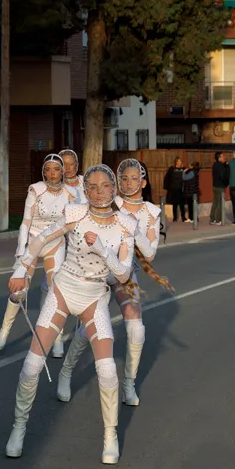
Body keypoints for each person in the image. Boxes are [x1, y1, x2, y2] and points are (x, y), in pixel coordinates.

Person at [4, 165, 136, 464]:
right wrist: (22, 269)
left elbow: (124, 274)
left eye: (104, 185)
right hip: (64, 290)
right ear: (84, 190)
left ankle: (110, 436)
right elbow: (40, 240)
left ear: (114, 188)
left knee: (106, 371)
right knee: (31, 365)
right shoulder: (75, 213)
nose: (98, 191)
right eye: (91, 186)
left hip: (94, 297)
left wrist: (102, 249)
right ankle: (19, 427)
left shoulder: (127, 224)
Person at [57, 158, 173, 407]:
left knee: (136, 328)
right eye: (124, 179)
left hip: (125, 273)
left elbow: (150, 254)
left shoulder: (151, 212)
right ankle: (66, 372)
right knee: (86, 331)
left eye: (134, 178)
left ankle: (129, 384)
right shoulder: (108, 200)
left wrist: (131, 226)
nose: (129, 183)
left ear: (143, 181)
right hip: (95, 272)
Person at [0, 154, 75, 354]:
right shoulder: (35, 190)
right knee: (19, 291)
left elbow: (74, 225)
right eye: (48, 169)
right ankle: (4, 330)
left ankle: (57, 339)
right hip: (34, 240)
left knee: (56, 290)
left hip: (55, 242)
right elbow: (25, 222)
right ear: (43, 172)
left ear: (63, 170)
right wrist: (21, 251)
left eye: (57, 169)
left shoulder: (72, 193)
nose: (53, 173)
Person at [163, 157, 187, 222]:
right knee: (175, 204)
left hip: (181, 189)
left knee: (182, 204)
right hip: (174, 189)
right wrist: (167, 187)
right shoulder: (172, 169)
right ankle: (175, 218)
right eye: (178, 161)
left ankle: (183, 217)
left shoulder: (183, 169)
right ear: (176, 162)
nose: (179, 162)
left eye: (180, 161)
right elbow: (167, 178)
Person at [209, 152, 229, 225]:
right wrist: (226, 183)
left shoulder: (215, 165)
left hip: (215, 186)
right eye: (223, 157)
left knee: (215, 203)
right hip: (220, 186)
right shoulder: (220, 166)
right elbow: (223, 176)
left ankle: (212, 218)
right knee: (220, 203)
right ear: (219, 158)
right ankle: (218, 220)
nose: (224, 158)